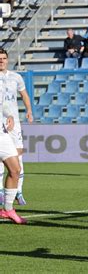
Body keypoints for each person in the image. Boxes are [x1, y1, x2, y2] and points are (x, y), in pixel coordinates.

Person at [0, 48, 33, 207]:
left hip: (14, 123)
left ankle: (18, 191)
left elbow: (24, 94)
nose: (1, 61)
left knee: (18, 155)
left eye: (4, 58)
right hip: (0, 123)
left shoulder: (16, 77)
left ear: (7, 60)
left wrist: (29, 110)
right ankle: (1, 191)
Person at [0, 89, 26, 224]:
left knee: (15, 170)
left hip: (2, 135)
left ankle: (8, 210)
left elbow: (2, 104)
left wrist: (9, 114)